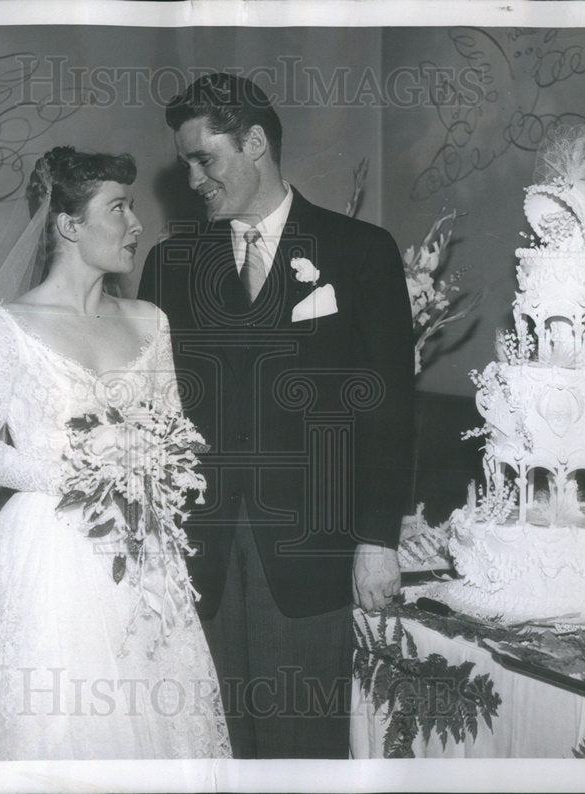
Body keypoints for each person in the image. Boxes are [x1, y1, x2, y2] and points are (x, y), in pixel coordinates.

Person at [138, 74, 415, 758]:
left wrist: (378, 540)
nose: (195, 179)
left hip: (311, 554)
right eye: (187, 165)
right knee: (212, 748)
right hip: (200, 556)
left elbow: (391, 408)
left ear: (256, 142)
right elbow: (151, 410)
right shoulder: (172, 264)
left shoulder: (361, 251)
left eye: (206, 158)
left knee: (302, 750)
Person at [0, 146, 231, 760]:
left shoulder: (150, 321)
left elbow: (174, 430)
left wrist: (153, 471)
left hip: (143, 558)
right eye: (118, 208)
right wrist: (81, 472)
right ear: (68, 225)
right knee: (56, 730)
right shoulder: (6, 325)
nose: (136, 223)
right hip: (46, 555)